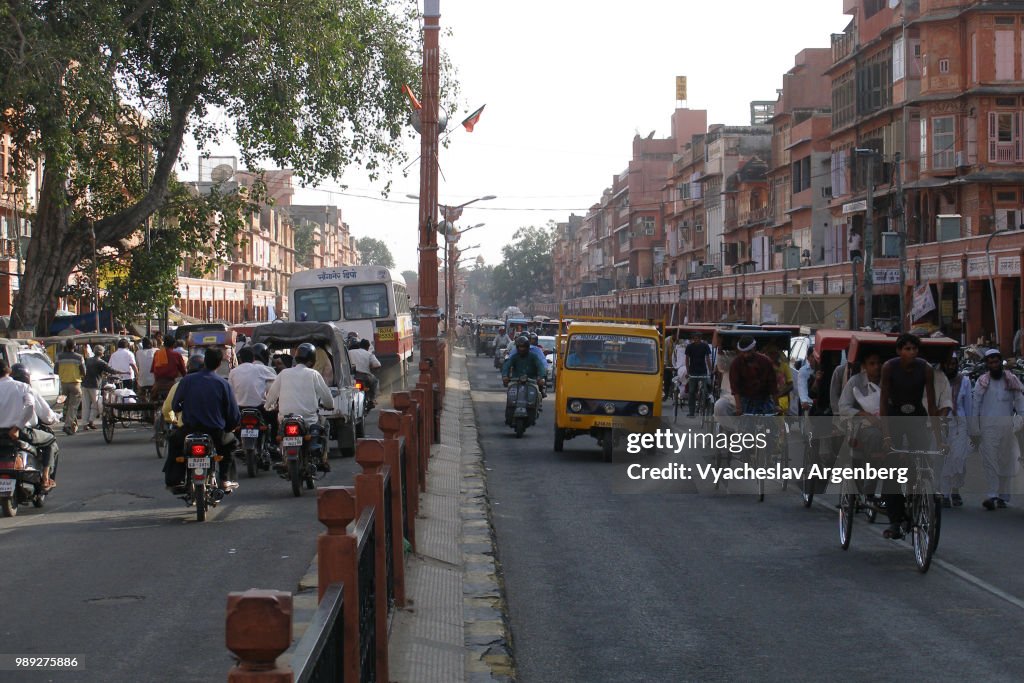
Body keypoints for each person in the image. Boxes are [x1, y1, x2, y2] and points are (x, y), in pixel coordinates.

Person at [879, 333, 939, 539]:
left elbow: (932, 404)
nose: (911, 353)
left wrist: (940, 439)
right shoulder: (889, 367)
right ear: (899, 351)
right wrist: (886, 437)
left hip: (917, 416)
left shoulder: (926, 369)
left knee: (921, 458)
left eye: (914, 349)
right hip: (894, 416)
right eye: (906, 349)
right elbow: (883, 403)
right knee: (892, 468)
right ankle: (895, 520)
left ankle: (920, 494)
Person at [166, 348, 240, 492]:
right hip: (215, 431)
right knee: (231, 444)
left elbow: (175, 405)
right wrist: (229, 427)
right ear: (219, 364)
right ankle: (224, 479)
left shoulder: (187, 380)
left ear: (204, 362)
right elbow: (233, 413)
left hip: (190, 430)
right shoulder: (223, 384)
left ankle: (174, 479)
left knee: (174, 442)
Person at [263, 343, 335, 472]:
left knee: (282, 433)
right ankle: (323, 459)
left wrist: (268, 406)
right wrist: (330, 405)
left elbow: (271, 395)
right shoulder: (313, 374)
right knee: (325, 424)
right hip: (309, 419)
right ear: (312, 360)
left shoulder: (284, 373)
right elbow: (326, 396)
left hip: (285, 418)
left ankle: (284, 456)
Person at [970, 348, 1024, 510]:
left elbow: (1020, 404)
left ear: (1001, 362)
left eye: (996, 361)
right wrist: (975, 430)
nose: (994, 364)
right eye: (991, 362)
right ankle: (992, 494)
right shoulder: (982, 381)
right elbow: (975, 407)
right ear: (987, 364)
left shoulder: (1012, 379)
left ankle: (1003, 496)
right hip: (988, 428)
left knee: (1006, 461)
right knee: (990, 461)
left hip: (1008, 427)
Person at [1, 361, 59, 490]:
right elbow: (31, 406)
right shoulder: (22, 387)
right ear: (7, 371)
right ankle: (45, 478)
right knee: (51, 440)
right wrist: (17, 428)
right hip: (20, 432)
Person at [838, 351, 885, 499]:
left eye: (879, 363)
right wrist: (865, 415)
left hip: (888, 424)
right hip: (862, 427)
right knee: (874, 437)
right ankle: (868, 489)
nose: (876, 367)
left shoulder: (888, 379)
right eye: (872, 363)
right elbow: (843, 406)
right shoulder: (855, 381)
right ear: (864, 366)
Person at [940, 354, 972, 508]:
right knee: (945, 459)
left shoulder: (964, 381)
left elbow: (968, 406)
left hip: (960, 424)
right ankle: (945, 494)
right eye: (948, 363)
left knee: (959, 458)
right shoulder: (938, 381)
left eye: (953, 363)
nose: (951, 366)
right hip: (942, 423)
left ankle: (955, 490)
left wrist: (973, 430)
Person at [728, 336, 778, 416]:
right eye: (743, 352)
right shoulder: (736, 364)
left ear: (754, 348)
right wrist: (738, 407)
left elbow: (773, 386)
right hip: (745, 400)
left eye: (748, 352)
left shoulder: (766, 361)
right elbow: (735, 387)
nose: (746, 355)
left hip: (764, 400)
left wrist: (776, 405)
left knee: (772, 423)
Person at [55, 339, 86, 435]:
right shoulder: (79, 357)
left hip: (63, 384)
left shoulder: (59, 357)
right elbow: (84, 372)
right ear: (75, 346)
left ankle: (71, 425)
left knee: (67, 405)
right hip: (75, 384)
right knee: (73, 406)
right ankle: (67, 425)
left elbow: (55, 370)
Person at [82, 344, 114, 431]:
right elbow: (111, 370)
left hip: (85, 384)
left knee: (85, 405)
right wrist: (122, 372)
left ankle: (85, 424)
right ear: (102, 353)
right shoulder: (100, 362)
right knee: (95, 404)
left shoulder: (88, 360)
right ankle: (91, 421)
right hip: (94, 386)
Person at [685, 332, 714, 418]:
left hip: (703, 371)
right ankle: (691, 411)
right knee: (691, 391)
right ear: (693, 338)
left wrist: (710, 370)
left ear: (700, 338)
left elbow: (707, 358)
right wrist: (687, 371)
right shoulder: (689, 347)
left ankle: (703, 406)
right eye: (694, 337)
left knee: (705, 390)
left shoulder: (705, 346)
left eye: (697, 337)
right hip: (692, 371)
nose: (696, 339)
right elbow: (687, 360)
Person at [150, 335, 187, 400]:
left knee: (152, 401)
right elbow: (184, 372)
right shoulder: (176, 355)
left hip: (158, 385)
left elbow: (153, 370)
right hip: (171, 385)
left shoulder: (157, 354)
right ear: (174, 344)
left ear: (164, 344)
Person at [349, 338, 381, 404]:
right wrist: (371, 367)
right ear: (368, 347)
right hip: (365, 377)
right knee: (375, 381)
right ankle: (372, 399)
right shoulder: (369, 354)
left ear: (359, 345)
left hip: (352, 377)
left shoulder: (350, 352)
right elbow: (377, 364)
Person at [135, 337, 156, 403]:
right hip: (154, 381)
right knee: (155, 396)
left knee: (141, 394)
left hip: (142, 381)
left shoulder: (138, 353)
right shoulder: (156, 350)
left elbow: (137, 365)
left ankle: (143, 405)